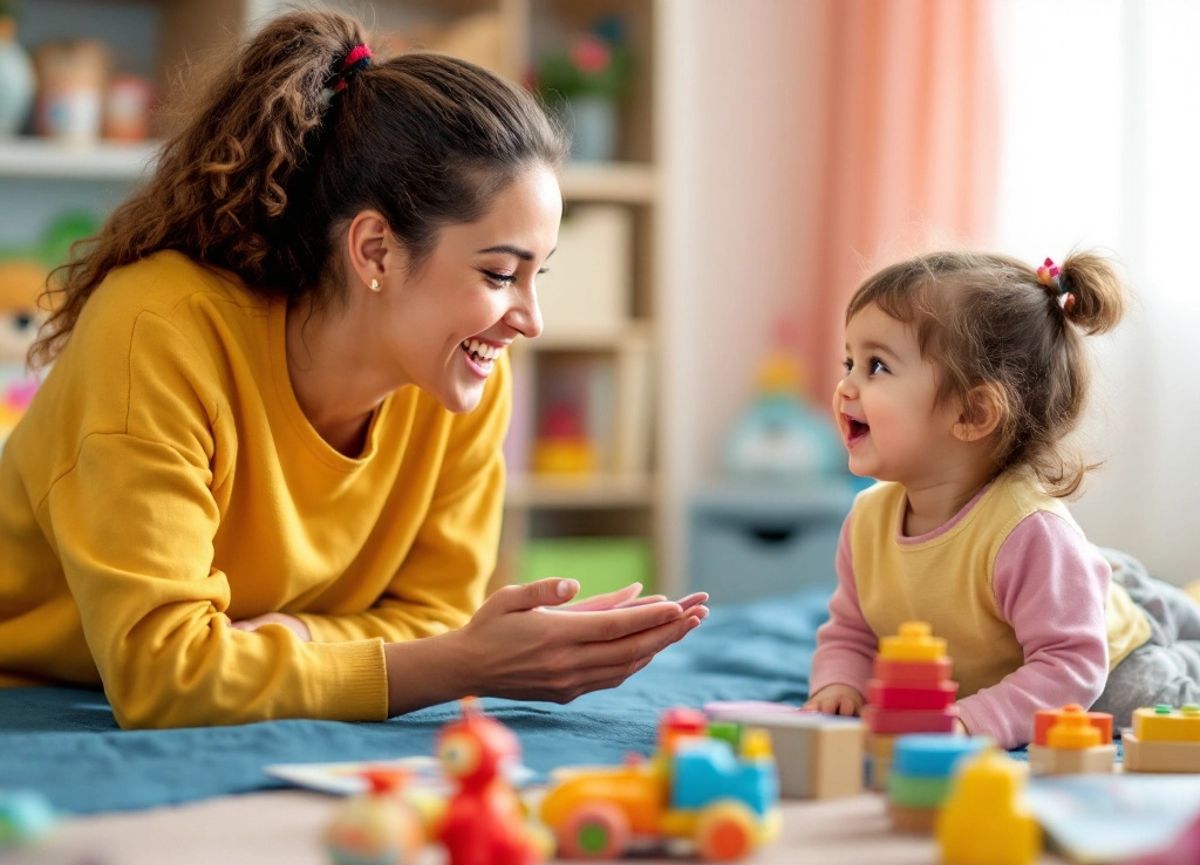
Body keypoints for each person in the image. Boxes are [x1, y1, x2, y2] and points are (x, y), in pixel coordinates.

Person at [0, 10, 707, 729]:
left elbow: (434, 614)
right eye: (499, 273)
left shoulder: (463, 377)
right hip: (28, 698)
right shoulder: (158, 331)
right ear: (374, 251)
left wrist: (300, 638)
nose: (529, 319)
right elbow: (166, 674)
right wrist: (467, 663)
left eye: (537, 276)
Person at [803, 250, 1200, 748]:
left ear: (973, 413)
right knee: (1089, 584)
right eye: (850, 362)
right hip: (1064, 591)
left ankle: (1161, 621)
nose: (844, 387)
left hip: (1108, 662)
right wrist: (838, 685)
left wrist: (974, 719)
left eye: (877, 366)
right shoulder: (867, 519)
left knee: (1149, 709)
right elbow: (851, 633)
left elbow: (1071, 664)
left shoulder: (1027, 531)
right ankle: (1131, 588)